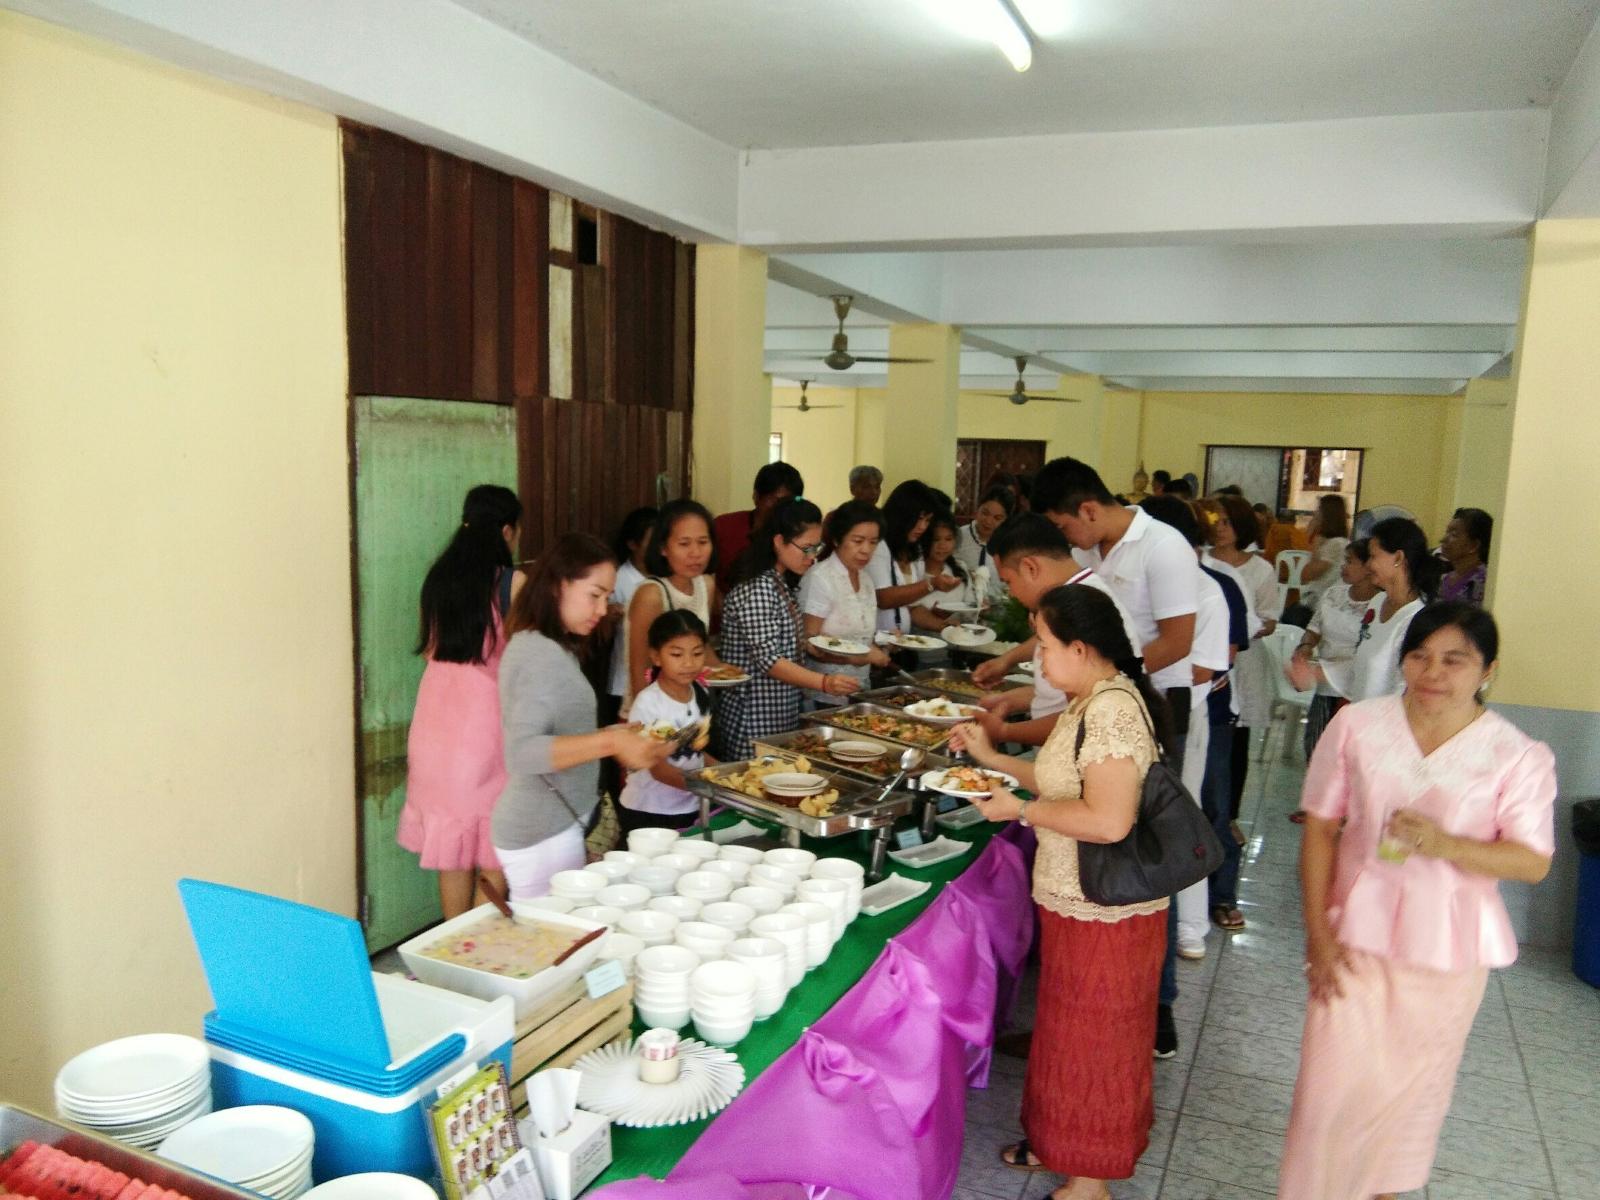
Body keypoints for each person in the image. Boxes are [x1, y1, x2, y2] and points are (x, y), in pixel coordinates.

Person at [1277, 604, 1555, 1200]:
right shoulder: (1358, 725)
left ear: (1487, 670)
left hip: (1445, 954)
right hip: (1351, 937)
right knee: (1327, 1096)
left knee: (1405, 1100)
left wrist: (1446, 845)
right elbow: (1320, 825)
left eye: (1454, 660)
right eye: (1419, 656)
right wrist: (1316, 932)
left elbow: (1532, 861)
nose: (1433, 672)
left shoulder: (1517, 754)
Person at [950, 585, 1172, 1200]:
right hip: (1078, 901)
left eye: (1044, 647)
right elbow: (1060, 779)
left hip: (1108, 911)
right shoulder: (1089, 699)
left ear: (1080, 647)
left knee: (1098, 1041)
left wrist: (1020, 811)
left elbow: (1109, 820)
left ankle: (1090, 1181)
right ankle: (1062, 1146)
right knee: (1069, 1032)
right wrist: (992, 757)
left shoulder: (1112, 712)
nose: (1037, 660)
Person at [1031, 456, 1197, 1059]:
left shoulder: (1164, 547)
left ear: (1086, 509)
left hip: (1152, 699)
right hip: (1113, 687)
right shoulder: (1099, 554)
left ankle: (1158, 1007)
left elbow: (1177, 640)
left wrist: (1107, 674)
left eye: (1063, 527)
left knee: (1143, 852)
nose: (1067, 542)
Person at [495, 534, 672, 899]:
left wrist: (619, 734)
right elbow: (522, 753)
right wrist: (610, 741)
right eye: (595, 595)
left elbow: (561, 730)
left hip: (558, 824)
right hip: (541, 832)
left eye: (607, 597)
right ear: (558, 585)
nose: (603, 609)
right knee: (549, 932)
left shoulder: (554, 647)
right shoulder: (537, 652)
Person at [399, 485, 525, 919]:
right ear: (507, 531)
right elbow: (526, 658)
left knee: (452, 850)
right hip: (486, 729)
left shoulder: (438, 578)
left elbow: (432, 649)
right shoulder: (510, 583)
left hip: (434, 727)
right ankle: (480, 948)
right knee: (494, 850)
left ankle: (454, 946)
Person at [1140, 496, 1232, 960]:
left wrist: (1130, 671)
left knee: (1181, 814)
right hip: (1137, 710)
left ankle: (1191, 926)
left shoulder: (1207, 592)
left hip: (1180, 717)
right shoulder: (1149, 581)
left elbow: (1204, 669)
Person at [970, 514, 1142, 751]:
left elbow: (1080, 719)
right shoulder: (1069, 601)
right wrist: (1008, 699)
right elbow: (1056, 697)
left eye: (1008, 581)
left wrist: (1003, 731)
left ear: (1030, 567)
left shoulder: (1085, 609)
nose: (1012, 593)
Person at [714, 499, 860, 759]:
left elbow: (782, 643)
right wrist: (824, 682)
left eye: (817, 547)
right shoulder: (758, 589)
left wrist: (812, 647)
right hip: (754, 714)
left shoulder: (779, 582)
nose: (812, 557)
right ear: (778, 541)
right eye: (806, 548)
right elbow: (770, 660)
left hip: (779, 710)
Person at [1287, 517, 1441, 704]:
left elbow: (1405, 688)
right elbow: (1362, 666)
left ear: (1398, 558)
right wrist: (1314, 673)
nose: (1368, 565)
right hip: (1361, 711)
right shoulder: (1377, 603)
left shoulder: (1416, 619)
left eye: (1373, 557)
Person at [1199, 495, 1277, 845]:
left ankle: (1229, 815)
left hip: (1243, 660)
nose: (1219, 528)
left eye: (1227, 522)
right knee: (1206, 735)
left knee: (1237, 740)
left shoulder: (1260, 569)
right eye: (1215, 521)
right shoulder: (1201, 560)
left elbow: (1270, 619)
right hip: (1205, 656)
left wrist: (1242, 626)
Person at [616, 611, 717, 835]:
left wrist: (726, 773)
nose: (689, 663)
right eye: (677, 654)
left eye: (697, 653)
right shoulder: (649, 703)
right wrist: (712, 788)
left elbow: (696, 751)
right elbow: (659, 770)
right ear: (656, 656)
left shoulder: (700, 692)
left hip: (691, 807)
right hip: (650, 811)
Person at [622, 500, 719, 716]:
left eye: (703, 542)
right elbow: (640, 669)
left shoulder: (706, 585)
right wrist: (647, 726)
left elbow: (701, 645)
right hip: (651, 714)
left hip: (690, 709)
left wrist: (726, 671)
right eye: (684, 544)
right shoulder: (651, 594)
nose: (695, 552)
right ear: (663, 548)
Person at [1291, 539, 1379, 761]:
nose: (1343, 566)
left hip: (1355, 687)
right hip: (1325, 683)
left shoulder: (1381, 604)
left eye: (1350, 561)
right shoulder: (1333, 594)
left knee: (1343, 755)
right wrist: (1305, 647)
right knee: (1316, 747)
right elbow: (1314, 628)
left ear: (1369, 566)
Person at [799, 501, 892, 704]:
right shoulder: (821, 577)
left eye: (873, 542)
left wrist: (885, 642)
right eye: (858, 541)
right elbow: (808, 643)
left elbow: (860, 637)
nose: (866, 550)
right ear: (836, 539)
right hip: (823, 693)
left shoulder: (866, 579)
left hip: (859, 689)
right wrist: (858, 658)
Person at [868, 480, 960, 633]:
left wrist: (943, 626)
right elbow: (883, 598)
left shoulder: (915, 549)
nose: (923, 526)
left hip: (900, 641)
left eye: (927, 520)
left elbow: (913, 607)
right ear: (902, 514)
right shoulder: (878, 544)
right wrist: (932, 584)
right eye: (919, 518)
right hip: (874, 639)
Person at [713, 462, 803, 595]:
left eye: (790, 502)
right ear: (756, 496)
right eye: (775, 500)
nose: (782, 508)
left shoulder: (799, 538)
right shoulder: (724, 527)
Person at [604, 505, 658, 721]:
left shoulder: (665, 577)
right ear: (633, 544)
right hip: (623, 680)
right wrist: (609, 614)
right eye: (652, 541)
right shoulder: (620, 578)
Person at [955, 485, 1016, 603]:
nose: (988, 521)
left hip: (997, 609)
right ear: (977, 510)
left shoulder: (1008, 546)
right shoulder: (959, 536)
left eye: (997, 518)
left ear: (1006, 520)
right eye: (985, 513)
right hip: (961, 605)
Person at [920, 512, 981, 620]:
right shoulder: (916, 572)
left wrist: (980, 604)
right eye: (936, 539)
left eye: (948, 539)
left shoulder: (960, 567)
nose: (942, 546)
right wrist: (932, 616)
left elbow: (970, 608)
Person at [1296, 494, 1350, 611]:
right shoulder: (1340, 542)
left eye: (1318, 509)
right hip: (1322, 600)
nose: (1315, 513)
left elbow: (1306, 575)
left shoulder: (1335, 545)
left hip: (1322, 604)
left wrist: (1314, 541)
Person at [1438, 506, 1492, 604]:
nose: (1443, 539)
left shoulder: (1487, 583)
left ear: (1474, 545)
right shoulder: (1442, 580)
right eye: (1447, 532)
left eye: (1454, 534)